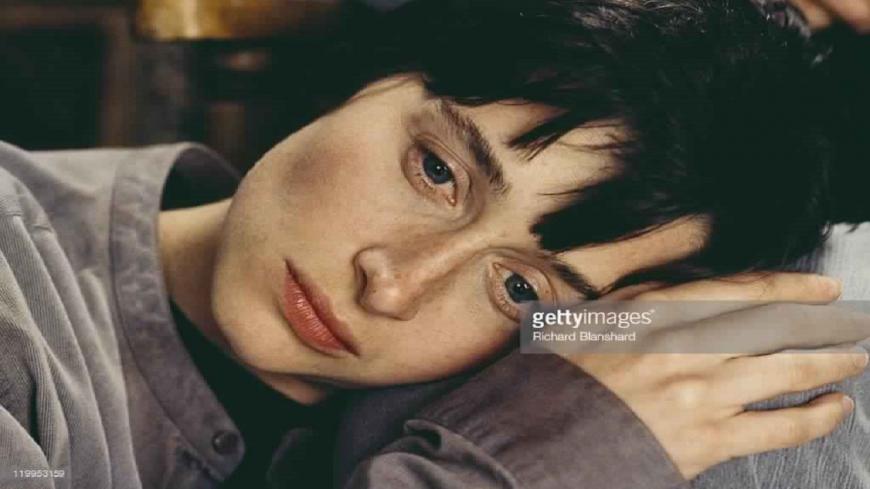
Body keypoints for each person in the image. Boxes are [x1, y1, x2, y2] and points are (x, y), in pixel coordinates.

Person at [0, 1, 867, 488]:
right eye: (437, 171)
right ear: (377, 76)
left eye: (521, 288)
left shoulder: (552, 365)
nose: (394, 284)